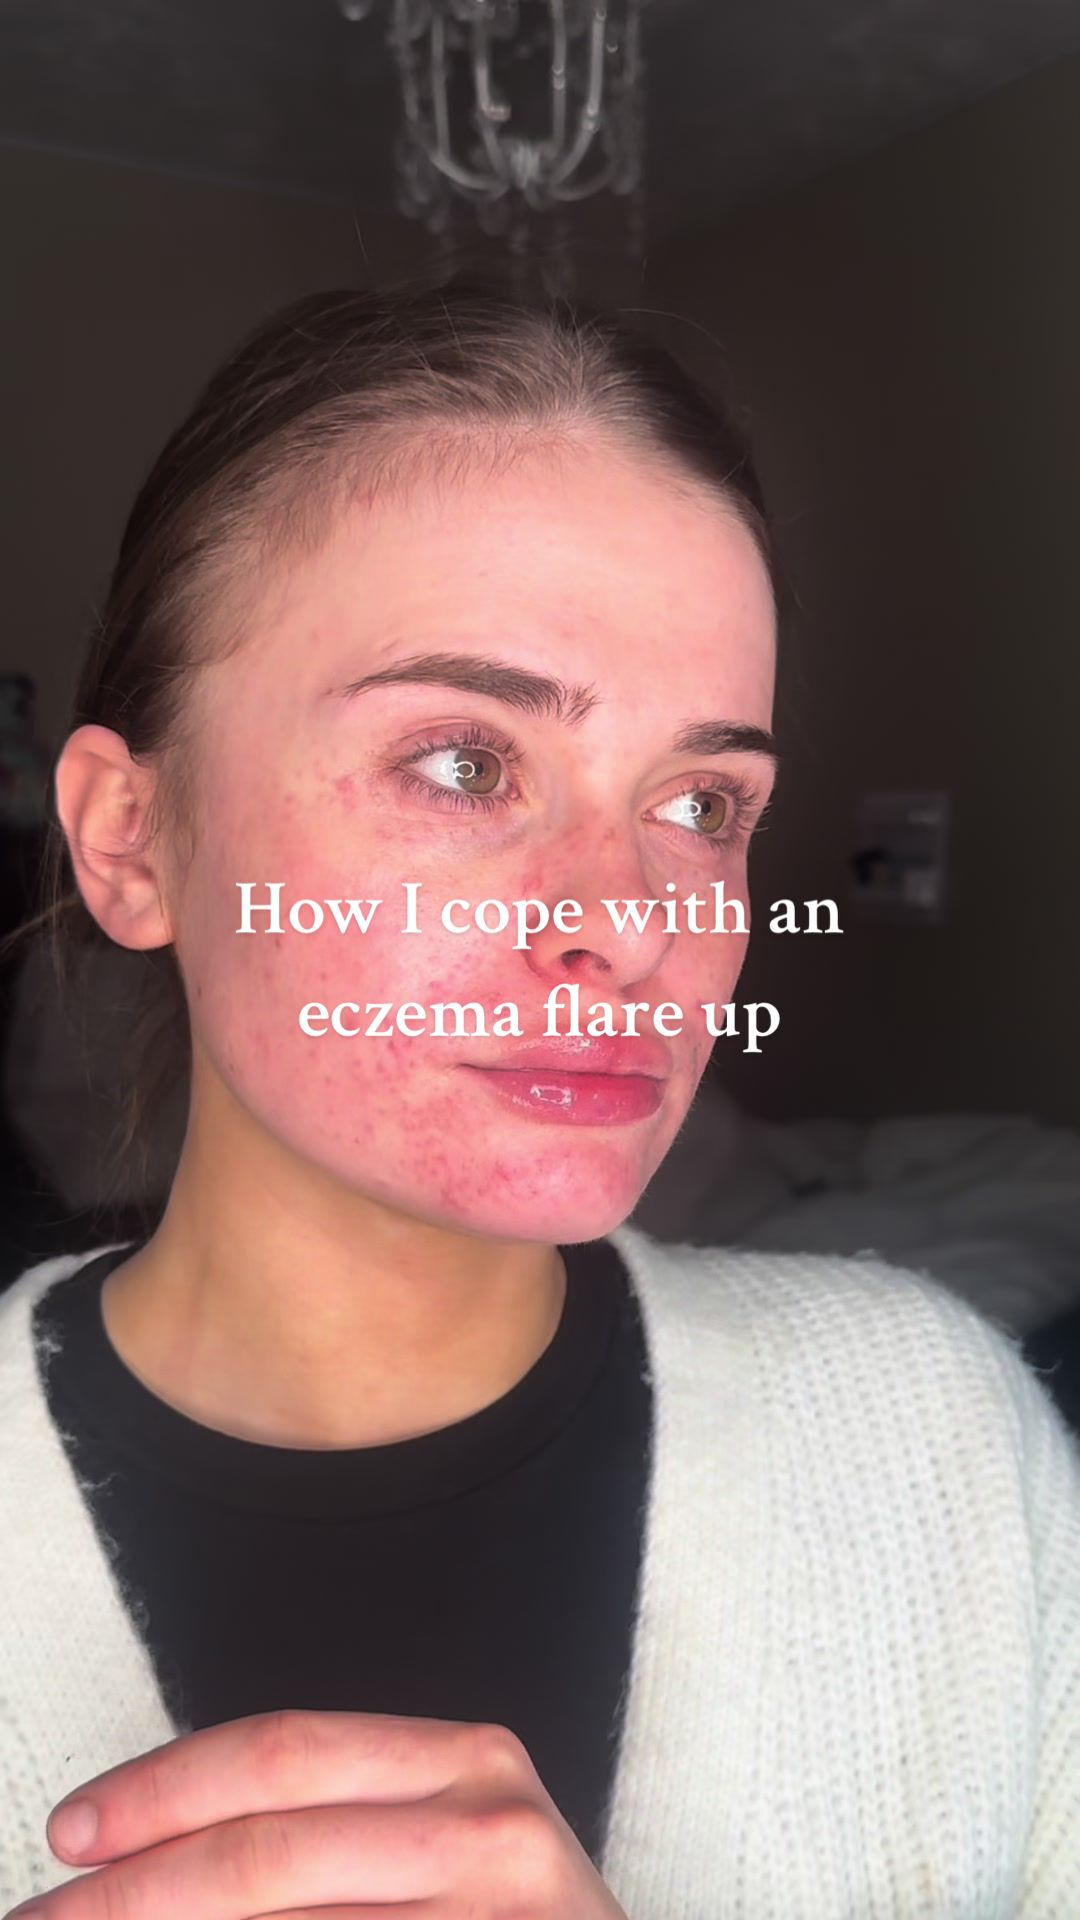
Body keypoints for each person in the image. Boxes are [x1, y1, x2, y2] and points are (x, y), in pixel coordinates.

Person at [1, 266, 1078, 1920]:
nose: (636, 925)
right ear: (133, 841)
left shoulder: (938, 1446)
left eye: (705, 804)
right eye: (463, 763)